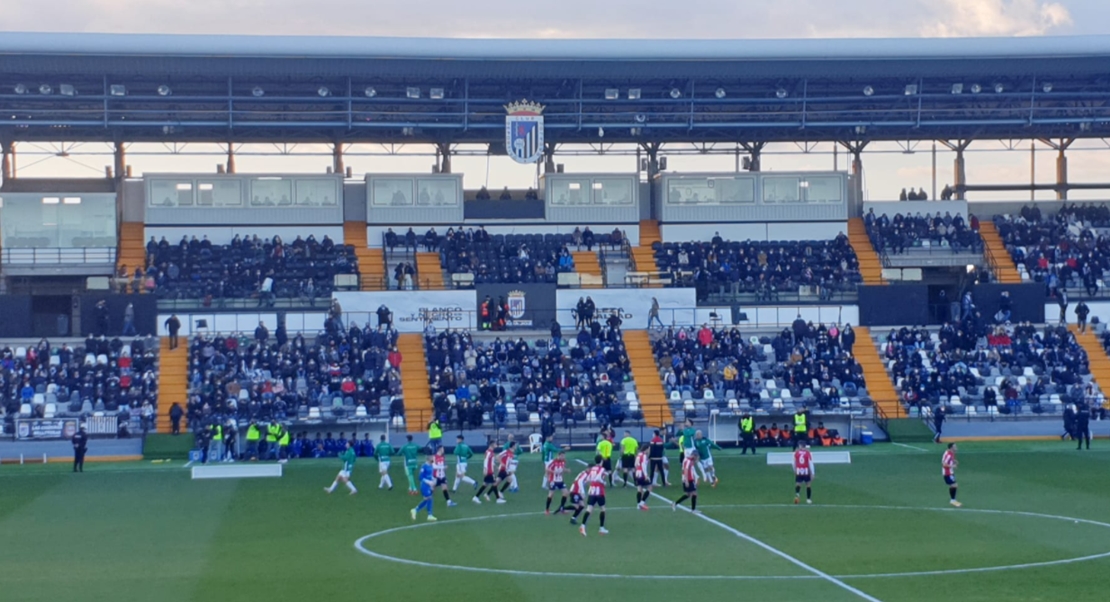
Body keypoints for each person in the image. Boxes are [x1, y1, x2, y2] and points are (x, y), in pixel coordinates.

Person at [579, 455, 609, 536]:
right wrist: (604, 482)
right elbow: (598, 478)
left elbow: (588, 479)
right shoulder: (601, 469)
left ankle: (583, 526)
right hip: (599, 491)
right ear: (601, 461)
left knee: (589, 509)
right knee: (603, 509)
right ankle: (601, 528)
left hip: (592, 491)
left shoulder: (592, 469)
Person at [411, 456, 438, 522]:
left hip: (429, 485)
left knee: (427, 500)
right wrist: (428, 482)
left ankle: (415, 510)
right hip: (424, 485)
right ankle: (429, 515)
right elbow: (420, 477)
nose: (433, 459)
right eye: (432, 458)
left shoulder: (431, 466)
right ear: (428, 459)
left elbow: (430, 475)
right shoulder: (424, 466)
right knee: (429, 498)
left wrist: (433, 480)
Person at [545, 451, 568, 515]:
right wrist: (553, 472)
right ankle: (547, 509)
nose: (563, 457)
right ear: (559, 455)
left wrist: (566, 470)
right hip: (553, 480)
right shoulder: (553, 461)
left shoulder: (563, 461)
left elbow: (562, 468)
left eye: (564, 456)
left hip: (560, 480)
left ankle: (562, 508)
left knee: (566, 493)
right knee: (551, 494)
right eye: (562, 456)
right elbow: (547, 469)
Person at [633, 443, 653, 511]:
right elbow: (643, 466)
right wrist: (646, 475)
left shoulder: (639, 454)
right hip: (642, 473)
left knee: (639, 489)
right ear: (646, 449)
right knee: (650, 487)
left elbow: (636, 464)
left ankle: (638, 505)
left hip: (637, 473)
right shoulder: (644, 455)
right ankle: (642, 502)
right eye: (649, 449)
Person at [943, 443, 961, 507]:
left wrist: (954, 460)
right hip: (947, 473)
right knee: (954, 485)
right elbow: (944, 464)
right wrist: (952, 466)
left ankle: (953, 500)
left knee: (953, 485)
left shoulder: (950, 452)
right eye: (955, 447)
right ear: (951, 448)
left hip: (950, 472)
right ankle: (952, 500)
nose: (956, 447)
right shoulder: (949, 455)